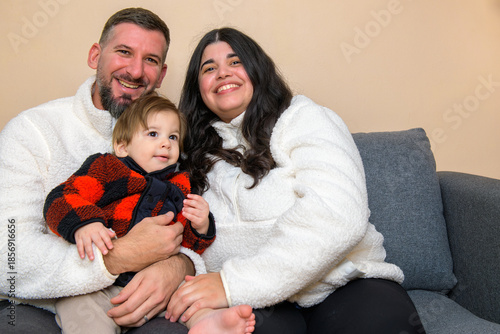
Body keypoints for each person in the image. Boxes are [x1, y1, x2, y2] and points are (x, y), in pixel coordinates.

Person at [164, 27, 427, 333]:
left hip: (343, 283)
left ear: (258, 71)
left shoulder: (305, 118)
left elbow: (338, 214)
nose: (223, 73)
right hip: (257, 305)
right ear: (198, 87)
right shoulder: (185, 151)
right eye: (209, 69)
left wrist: (232, 282)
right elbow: (184, 234)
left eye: (235, 62)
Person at [0, 8, 197, 334]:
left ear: (161, 75)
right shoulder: (32, 131)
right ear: (95, 55)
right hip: (43, 303)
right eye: (124, 52)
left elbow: (189, 225)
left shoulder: (168, 144)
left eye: (150, 60)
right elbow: (8, 254)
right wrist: (115, 259)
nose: (135, 70)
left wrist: (179, 266)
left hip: (143, 295)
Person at [43, 94, 253, 333]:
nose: (166, 143)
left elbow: (186, 244)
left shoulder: (179, 185)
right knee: (77, 305)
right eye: (153, 134)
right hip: (102, 284)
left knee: (189, 296)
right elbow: (61, 198)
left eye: (173, 137)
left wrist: (201, 225)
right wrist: (85, 224)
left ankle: (209, 323)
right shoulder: (107, 168)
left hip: (157, 286)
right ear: (122, 146)